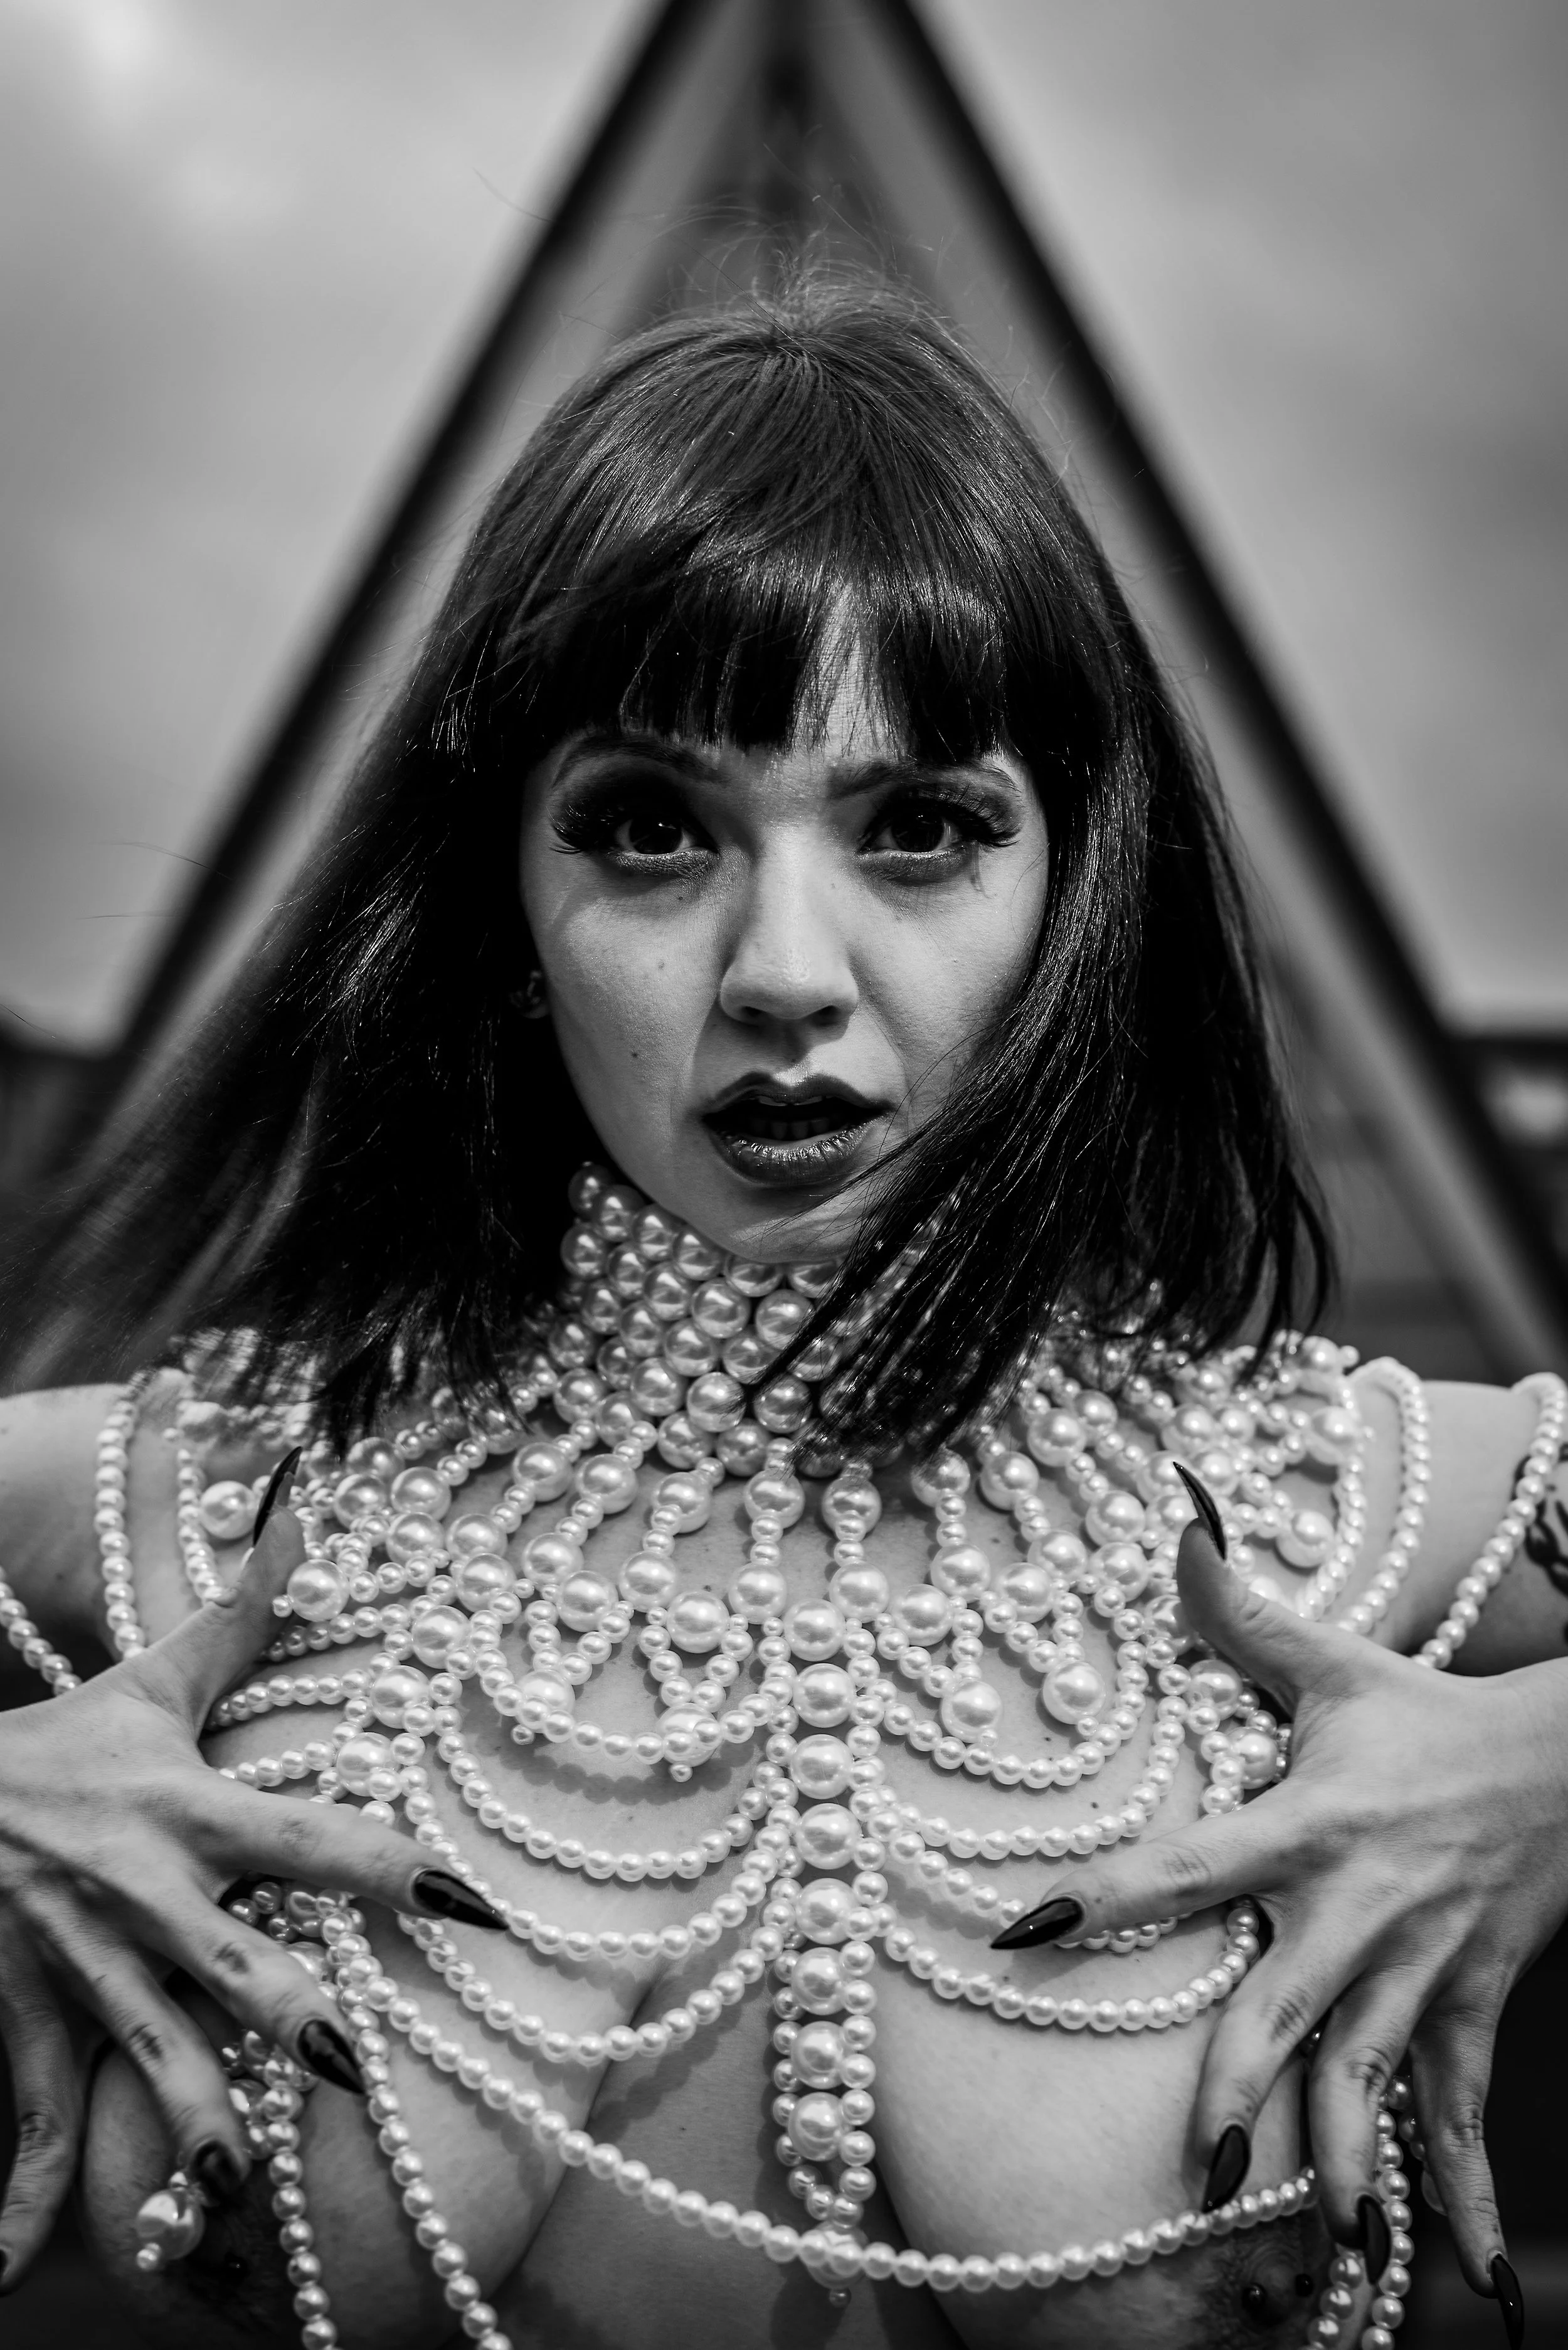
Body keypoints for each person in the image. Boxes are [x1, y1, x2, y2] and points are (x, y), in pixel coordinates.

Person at [0, 276, 1564, 2350]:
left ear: (1074, 891)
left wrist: (1545, 1768)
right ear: (502, 903)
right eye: (651, 830)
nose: (784, 974)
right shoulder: (195, 1505)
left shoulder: (1323, 1506)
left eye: (919, 830)